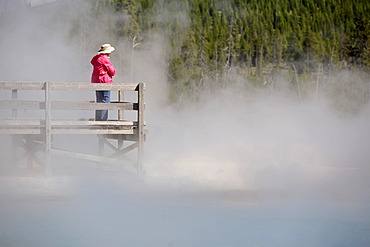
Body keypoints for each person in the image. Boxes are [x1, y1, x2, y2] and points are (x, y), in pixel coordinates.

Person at [91, 43, 116, 121]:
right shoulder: (104, 59)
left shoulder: (97, 58)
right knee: (105, 101)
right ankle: (103, 121)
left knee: (99, 101)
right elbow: (113, 72)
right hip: (104, 82)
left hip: (96, 82)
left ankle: (98, 120)